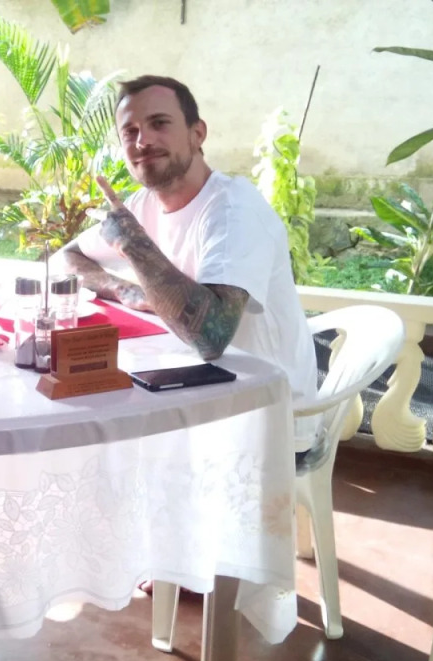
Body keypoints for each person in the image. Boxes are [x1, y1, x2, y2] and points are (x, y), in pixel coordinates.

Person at [52, 76, 319, 592]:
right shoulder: (144, 205)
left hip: (267, 415)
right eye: (129, 132)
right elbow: (70, 256)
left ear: (198, 133)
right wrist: (127, 290)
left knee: (107, 439)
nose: (142, 141)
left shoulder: (233, 212)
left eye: (159, 124)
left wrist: (133, 245)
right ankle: (158, 550)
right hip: (197, 390)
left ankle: (178, 557)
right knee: (90, 424)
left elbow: (212, 336)